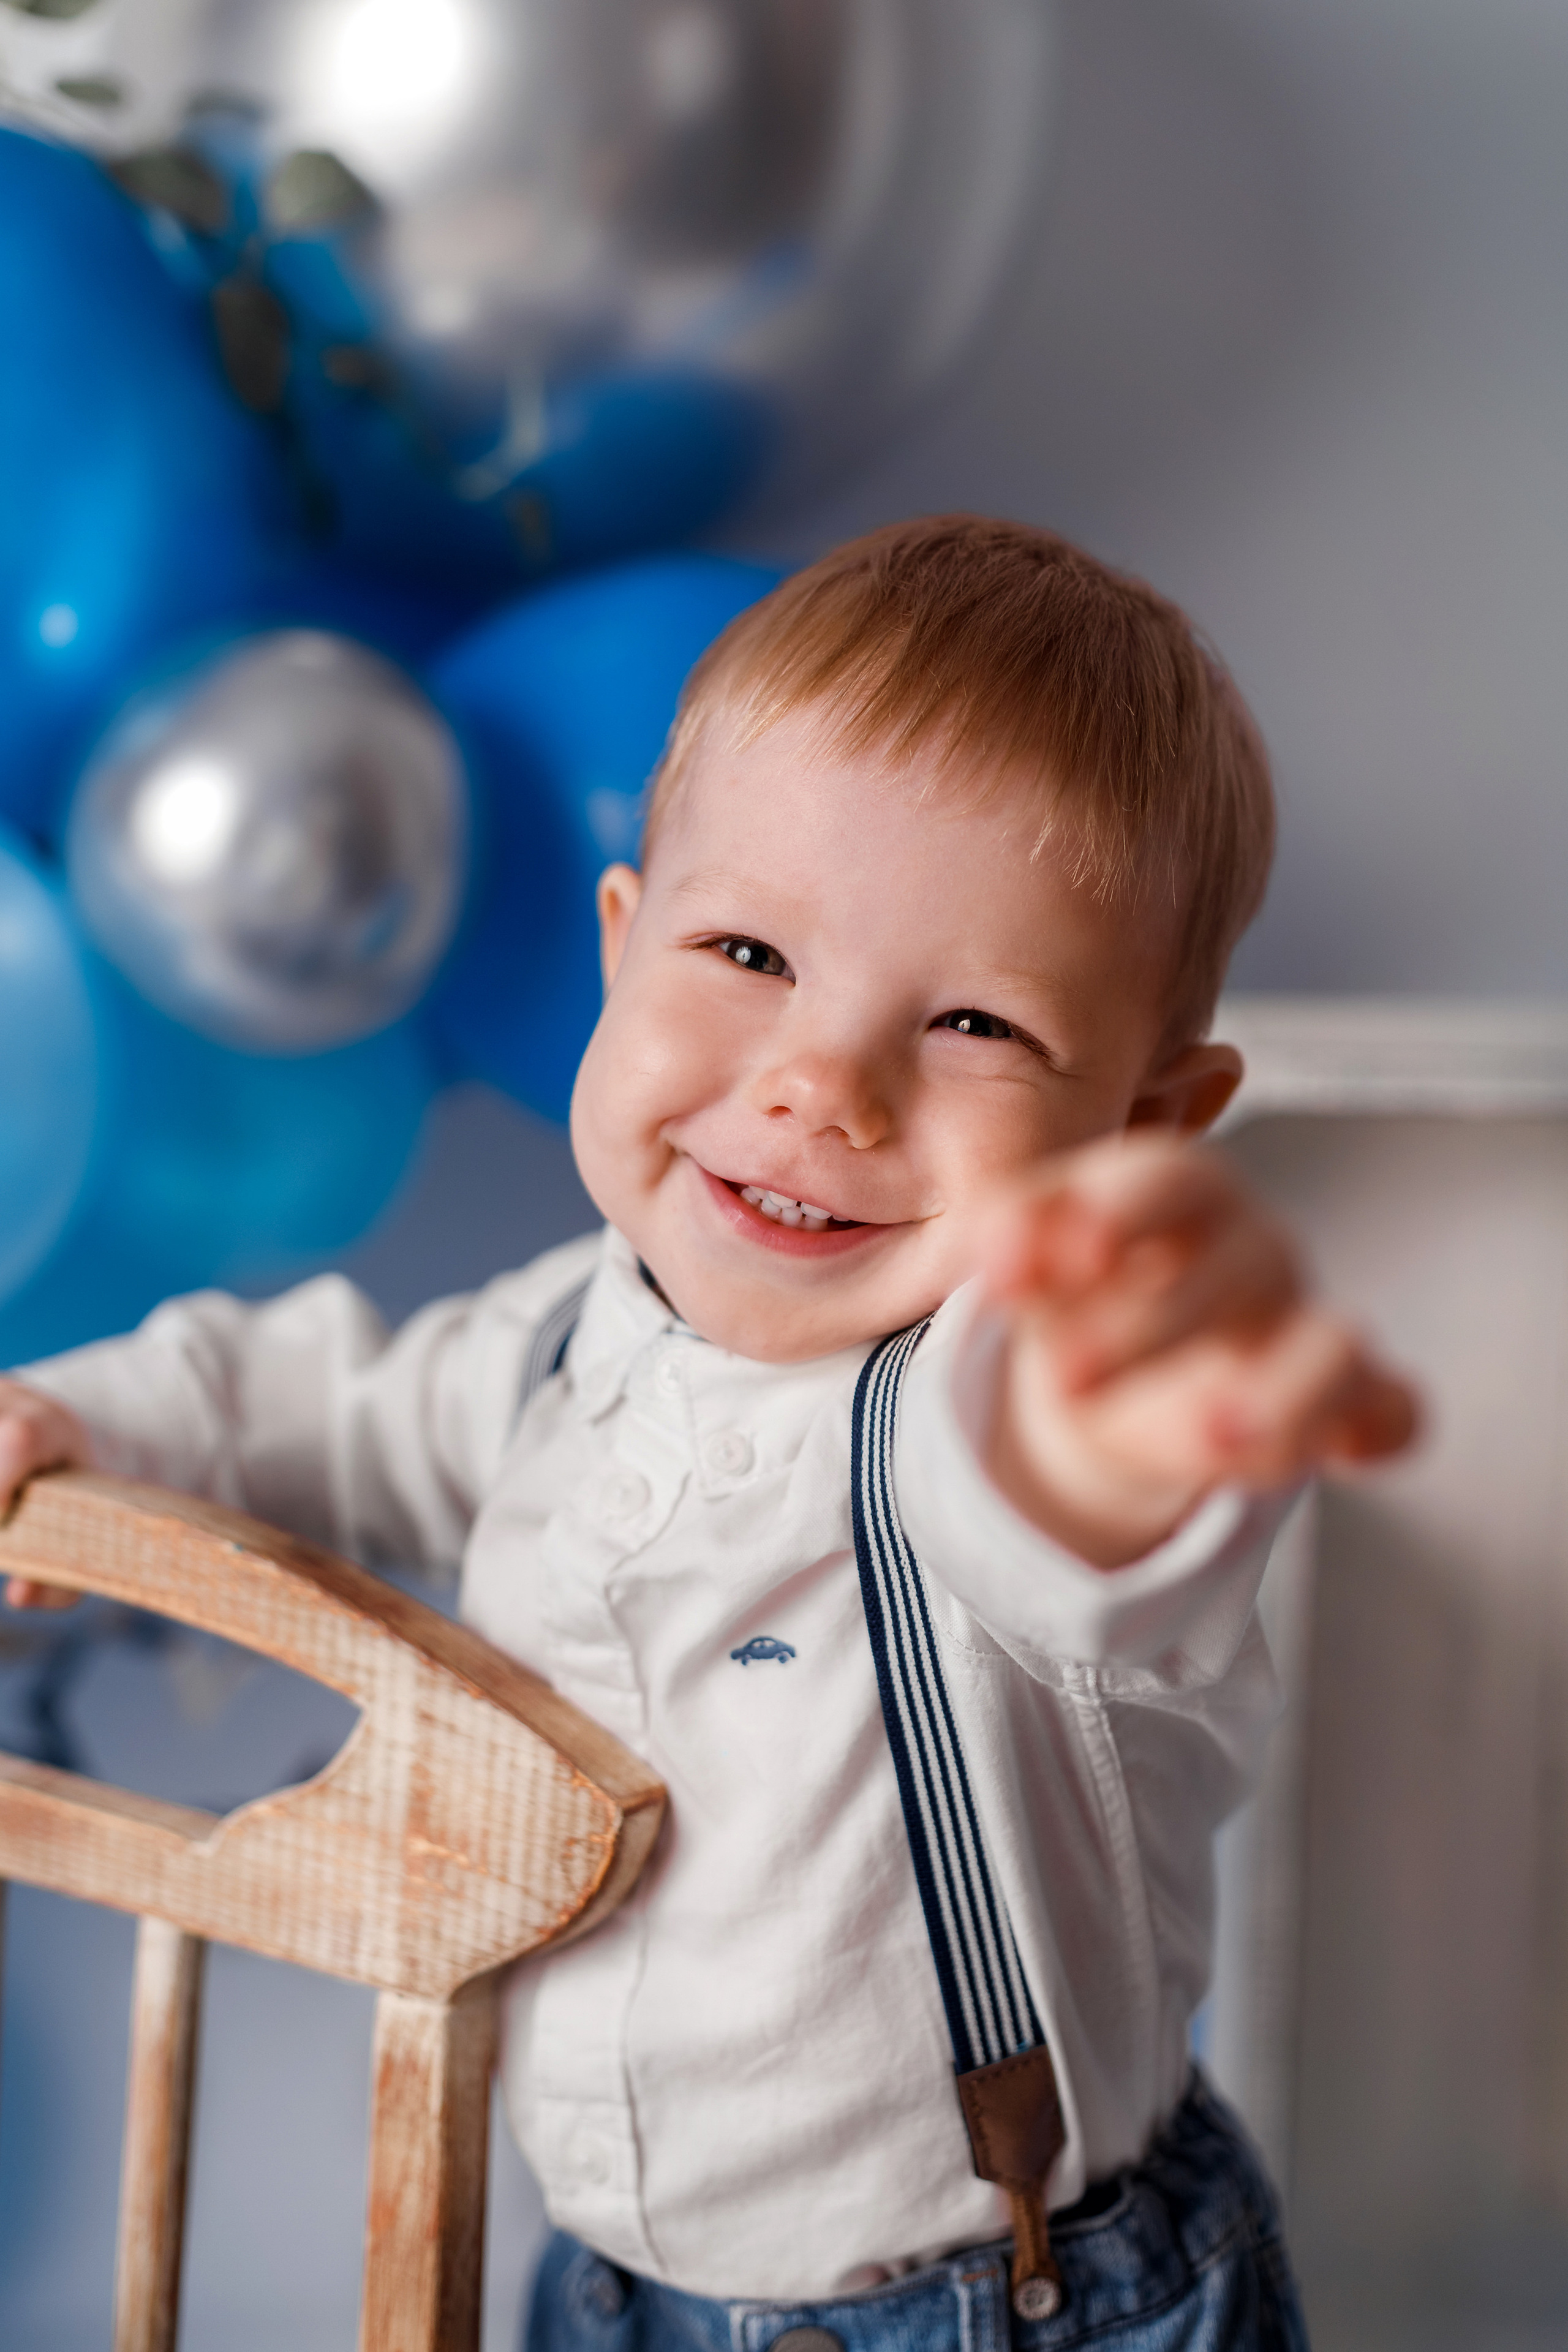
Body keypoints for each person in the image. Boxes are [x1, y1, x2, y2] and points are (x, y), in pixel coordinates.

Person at [0, 517, 1414, 2349]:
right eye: (747, 950)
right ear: (618, 948)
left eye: (976, 1024)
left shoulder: (978, 1416)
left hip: (989, 2310)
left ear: (1145, 1127)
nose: (822, 1085)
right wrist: (76, 1414)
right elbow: (320, 1402)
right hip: (610, 2288)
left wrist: (1138, 1409)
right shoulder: (565, 1339)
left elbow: (1084, 1512)